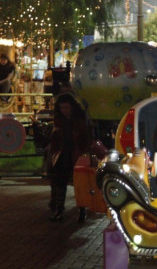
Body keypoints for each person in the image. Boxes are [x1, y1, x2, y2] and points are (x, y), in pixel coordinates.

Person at [46, 93, 91, 222]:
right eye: (62, 108)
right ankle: (59, 210)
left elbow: (84, 138)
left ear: (72, 107)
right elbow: (55, 138)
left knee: (80, 184)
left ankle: (82, 211)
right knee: (59, 182)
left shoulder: (80, 119)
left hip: (77, 153)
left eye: (67, 108)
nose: (65, 111)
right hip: (62, 154)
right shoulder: (59, 119)